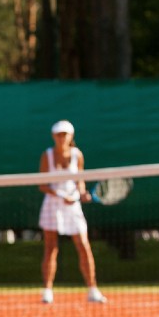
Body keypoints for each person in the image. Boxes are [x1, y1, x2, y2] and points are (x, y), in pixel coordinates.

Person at [37, 120, 106, 305]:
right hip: (52, 204)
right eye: (58, 134)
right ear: (53, 136)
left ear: (71, 136)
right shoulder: (47, 155)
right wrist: (61, 195)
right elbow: (42, 185)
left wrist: (81, 193)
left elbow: (79, 181)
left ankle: (92, 290)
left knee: (84, 246)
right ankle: (47, 291)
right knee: (51, 248)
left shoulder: (78, 155)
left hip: (73, 206)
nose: (62, 138)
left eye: (65, 134)